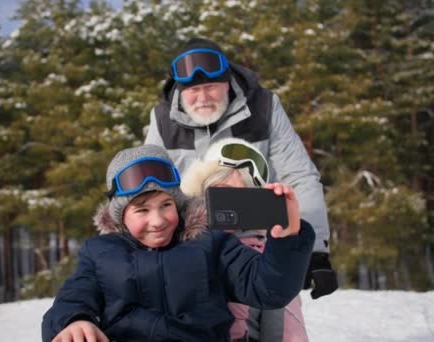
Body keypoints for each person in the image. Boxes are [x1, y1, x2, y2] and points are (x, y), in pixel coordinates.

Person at [41, 144, 314, 342]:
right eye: (142, 210)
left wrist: (287, 238)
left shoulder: (210, 243)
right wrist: (73, 321)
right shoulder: (100, 253)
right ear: (121, 216)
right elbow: (74, 296)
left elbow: (268, 288)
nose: (158, 220)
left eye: (166, 205)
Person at [145, 37, 338, 301]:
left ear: (226, 81)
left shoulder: (264, 107)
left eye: (211, 86)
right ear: (179, 89)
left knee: (279, 329)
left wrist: (315, 251)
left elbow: (299, 175)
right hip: (188, 246)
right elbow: (149, 187)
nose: (203, 98)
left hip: (259, 245)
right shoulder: (162, 120)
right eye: (193, 90)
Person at [181, 138, 309, 342]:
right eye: (220, 192)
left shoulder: (268, 259)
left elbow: (289, 331)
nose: (230, 206)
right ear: (199, 191)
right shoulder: (172, 242)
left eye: (241, 196)